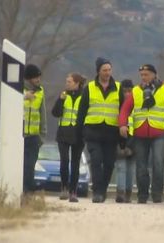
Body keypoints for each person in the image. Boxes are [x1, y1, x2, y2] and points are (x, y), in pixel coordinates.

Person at [119, 64, 164, 203]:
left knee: (158, 163)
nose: (143, 77)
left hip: (158, 134)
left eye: (146, 74)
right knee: (141, 166)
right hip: (140, 134)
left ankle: (157, 194)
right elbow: (125, 109)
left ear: (154, 75)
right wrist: (123, 125)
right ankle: (142, 195)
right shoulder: (136, 91)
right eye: (142, 75)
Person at [77, 57, 124, 203]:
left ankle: (103, 190)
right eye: (104, 70)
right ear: (98, 71)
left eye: (109, 70)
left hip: (111, 133)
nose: (107, 73)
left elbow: (123, 111)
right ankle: (97, 191)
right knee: (96, 160)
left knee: (109, 163)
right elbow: (82, 111)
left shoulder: (118, 87)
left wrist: (124, 135)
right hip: (93, 132)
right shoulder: (89, 88)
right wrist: (80, 132)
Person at [51, 73, 87, 203]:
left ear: (77, 83)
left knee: (75, 163)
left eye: (69, 82)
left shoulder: (84, 96)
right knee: (64, 161)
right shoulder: (63, 95)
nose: (67, 84)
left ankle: (73, 192)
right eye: (66, 81)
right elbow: (55, 113)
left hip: (78, 133)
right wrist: (60, 100)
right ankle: (64, 188)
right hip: (63, 132)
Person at [23, 63, 47, 194]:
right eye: (36, 77)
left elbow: (42, 114)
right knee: (22, 165)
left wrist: (42, 136)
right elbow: (9, 105)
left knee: (30, 165)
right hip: (20, 135)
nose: (38, 79)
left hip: (34, 137)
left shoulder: (41, 91)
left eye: (39, 77)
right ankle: (23, 190)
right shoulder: (18, 90)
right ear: (29, 78)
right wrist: (24, 97)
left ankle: (28, 192)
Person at [115, 79, 135, 203]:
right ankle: (120, 193)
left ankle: (128, 193)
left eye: (129, 91)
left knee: (131, 169)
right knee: (121, 167)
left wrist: (132, 146)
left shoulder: (136, 106)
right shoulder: (117, 106)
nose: (127, 94)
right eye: (124, 91)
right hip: (120, 141)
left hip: (134, 142)